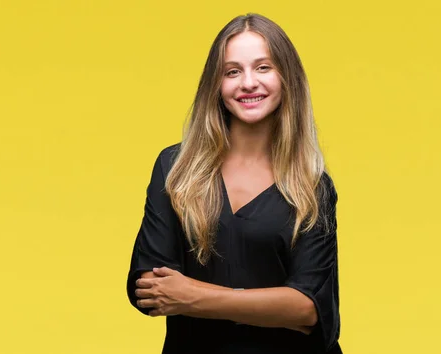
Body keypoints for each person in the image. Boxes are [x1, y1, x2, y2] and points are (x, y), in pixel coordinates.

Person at [126, 13, 342, 354]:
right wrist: (274, 308)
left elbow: (308, 308)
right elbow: (150, 291)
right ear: (216, 84)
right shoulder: (175, 168)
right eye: (232, 71)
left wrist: (192, 297)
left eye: (263, 67)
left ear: (287, 78)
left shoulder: (311, 185)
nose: (248, 83)